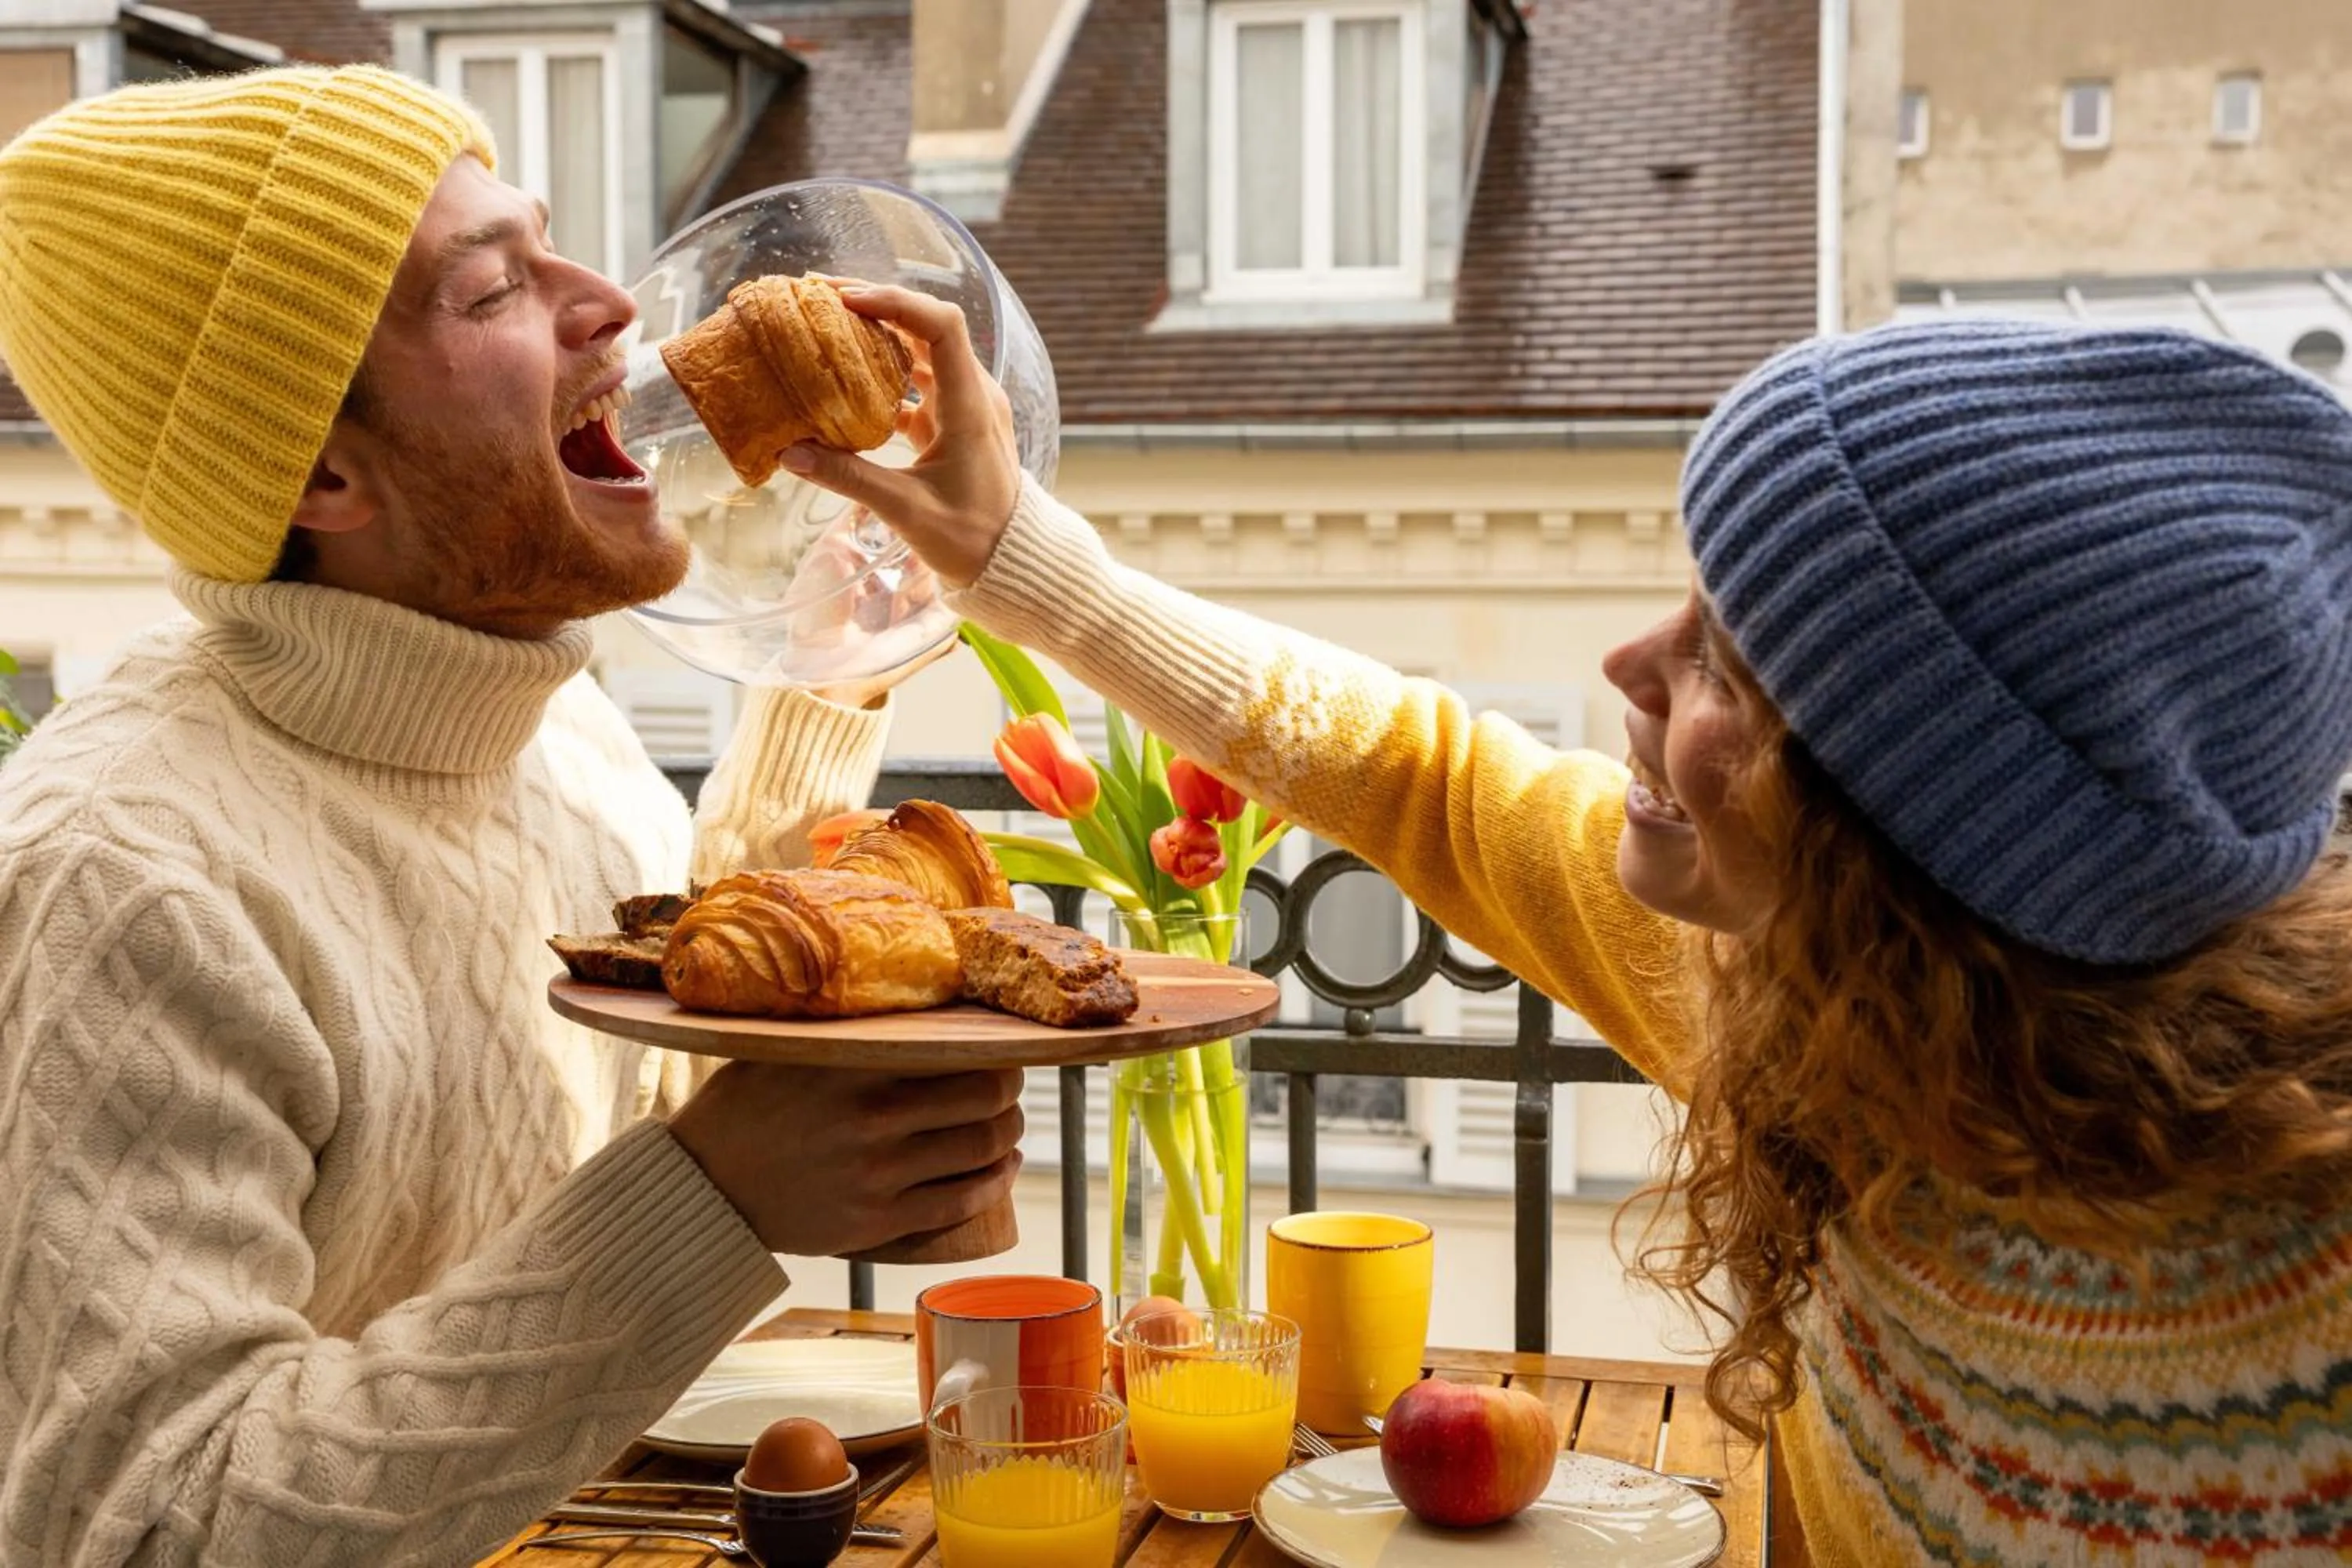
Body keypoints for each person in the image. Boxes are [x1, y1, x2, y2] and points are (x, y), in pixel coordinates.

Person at [793, 288, 2352, 1563]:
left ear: (1923, 826)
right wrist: (1009, 550)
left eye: (1723, 666)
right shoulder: (1819, 1005)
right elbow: (1419, 769)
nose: (1629, 660)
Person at [0, 68, 1023, 1566]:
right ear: (325, 471)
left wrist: (831, 662)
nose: (608, 299)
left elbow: (662, 998)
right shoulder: (122, 884)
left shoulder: (557, 731)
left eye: (543, 241)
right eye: (492, 292)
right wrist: (719, 1195)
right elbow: (152, 1528)